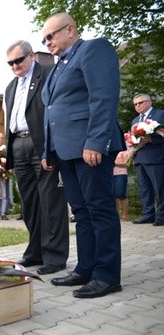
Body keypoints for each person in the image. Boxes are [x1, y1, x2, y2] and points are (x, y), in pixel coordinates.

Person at [41, 13, 125, 298]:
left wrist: (96, 141)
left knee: (99, 209)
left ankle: (107, 275)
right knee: (81, 211)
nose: (47, 42)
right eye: (44, 38)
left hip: (89, 147)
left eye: (50, 36)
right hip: (65, 151)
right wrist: (47, 150)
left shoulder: (93, 49)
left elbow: (103, 97)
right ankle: (86, 268)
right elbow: (51, 112)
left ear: (70, 29)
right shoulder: (56, 68)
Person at [4, 39, 69, 275]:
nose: (15, 66)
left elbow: (56, 111)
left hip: (41, 143)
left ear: (31, 56)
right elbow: (9, 119)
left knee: (51, 201)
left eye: (18, 60)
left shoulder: (48, 73)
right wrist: (10, 155)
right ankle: (36, 251)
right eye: (10, 63)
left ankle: (55, 256)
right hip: (18, 144)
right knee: (30, 203)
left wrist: (49, 148)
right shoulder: (11, 86)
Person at [130, 94, 164, 226]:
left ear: (150, 102)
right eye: (135, 104)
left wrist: (151, 139)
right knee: (144, 189)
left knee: (159, 188)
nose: (138, 105)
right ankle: (148, 214)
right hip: (139, 158)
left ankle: (161, 215)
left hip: (156, 157)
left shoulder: (160, 115)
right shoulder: (135, 121)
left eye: (141, 102)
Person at [113, 148, 134, 221]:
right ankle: (116, 214)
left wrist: (114, 163)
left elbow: (127, 164)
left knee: (121, 194)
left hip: (121, 174)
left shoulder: (127, 150)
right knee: (112, 195)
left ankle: (125, 215)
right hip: (110, 174)